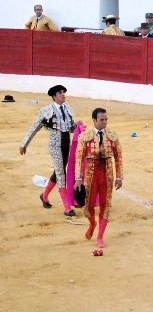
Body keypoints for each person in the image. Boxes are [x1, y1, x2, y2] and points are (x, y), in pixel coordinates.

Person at [20, 84, 77, 217]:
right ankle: (67, 206)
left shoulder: (68, 109)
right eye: (60, 93)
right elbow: (35, 127)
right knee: (61, 173)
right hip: (55, 144)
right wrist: (24, 144)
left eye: (64, 92)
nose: (63, 94)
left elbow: (70, 129)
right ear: (54, 96)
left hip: (66, 142)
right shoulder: (46, 111)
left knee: (58, 172)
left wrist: (77, 126)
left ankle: (44, 196)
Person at [75, 107, 123, 248]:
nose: (105, 122)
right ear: (94, 120)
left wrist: (119, 177)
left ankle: (100, 237)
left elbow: (119, 157)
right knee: (87, 206)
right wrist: (78, 178)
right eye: (102, 120)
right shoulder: (85, 136)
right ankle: (92, 223)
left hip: (107, 174)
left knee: (105, 205)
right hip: (91, 174)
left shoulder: (113, 135)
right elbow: (79, 158)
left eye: (106, 119)